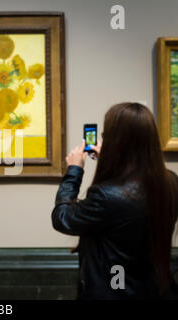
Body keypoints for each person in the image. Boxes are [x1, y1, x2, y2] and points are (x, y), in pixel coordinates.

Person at [52, 102, 178, 299]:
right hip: (153, 289)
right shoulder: (170, 182)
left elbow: (62, 218)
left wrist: (74, 171)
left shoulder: (106, 196)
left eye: (105, 136)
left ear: (117, 142)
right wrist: (111, 161)